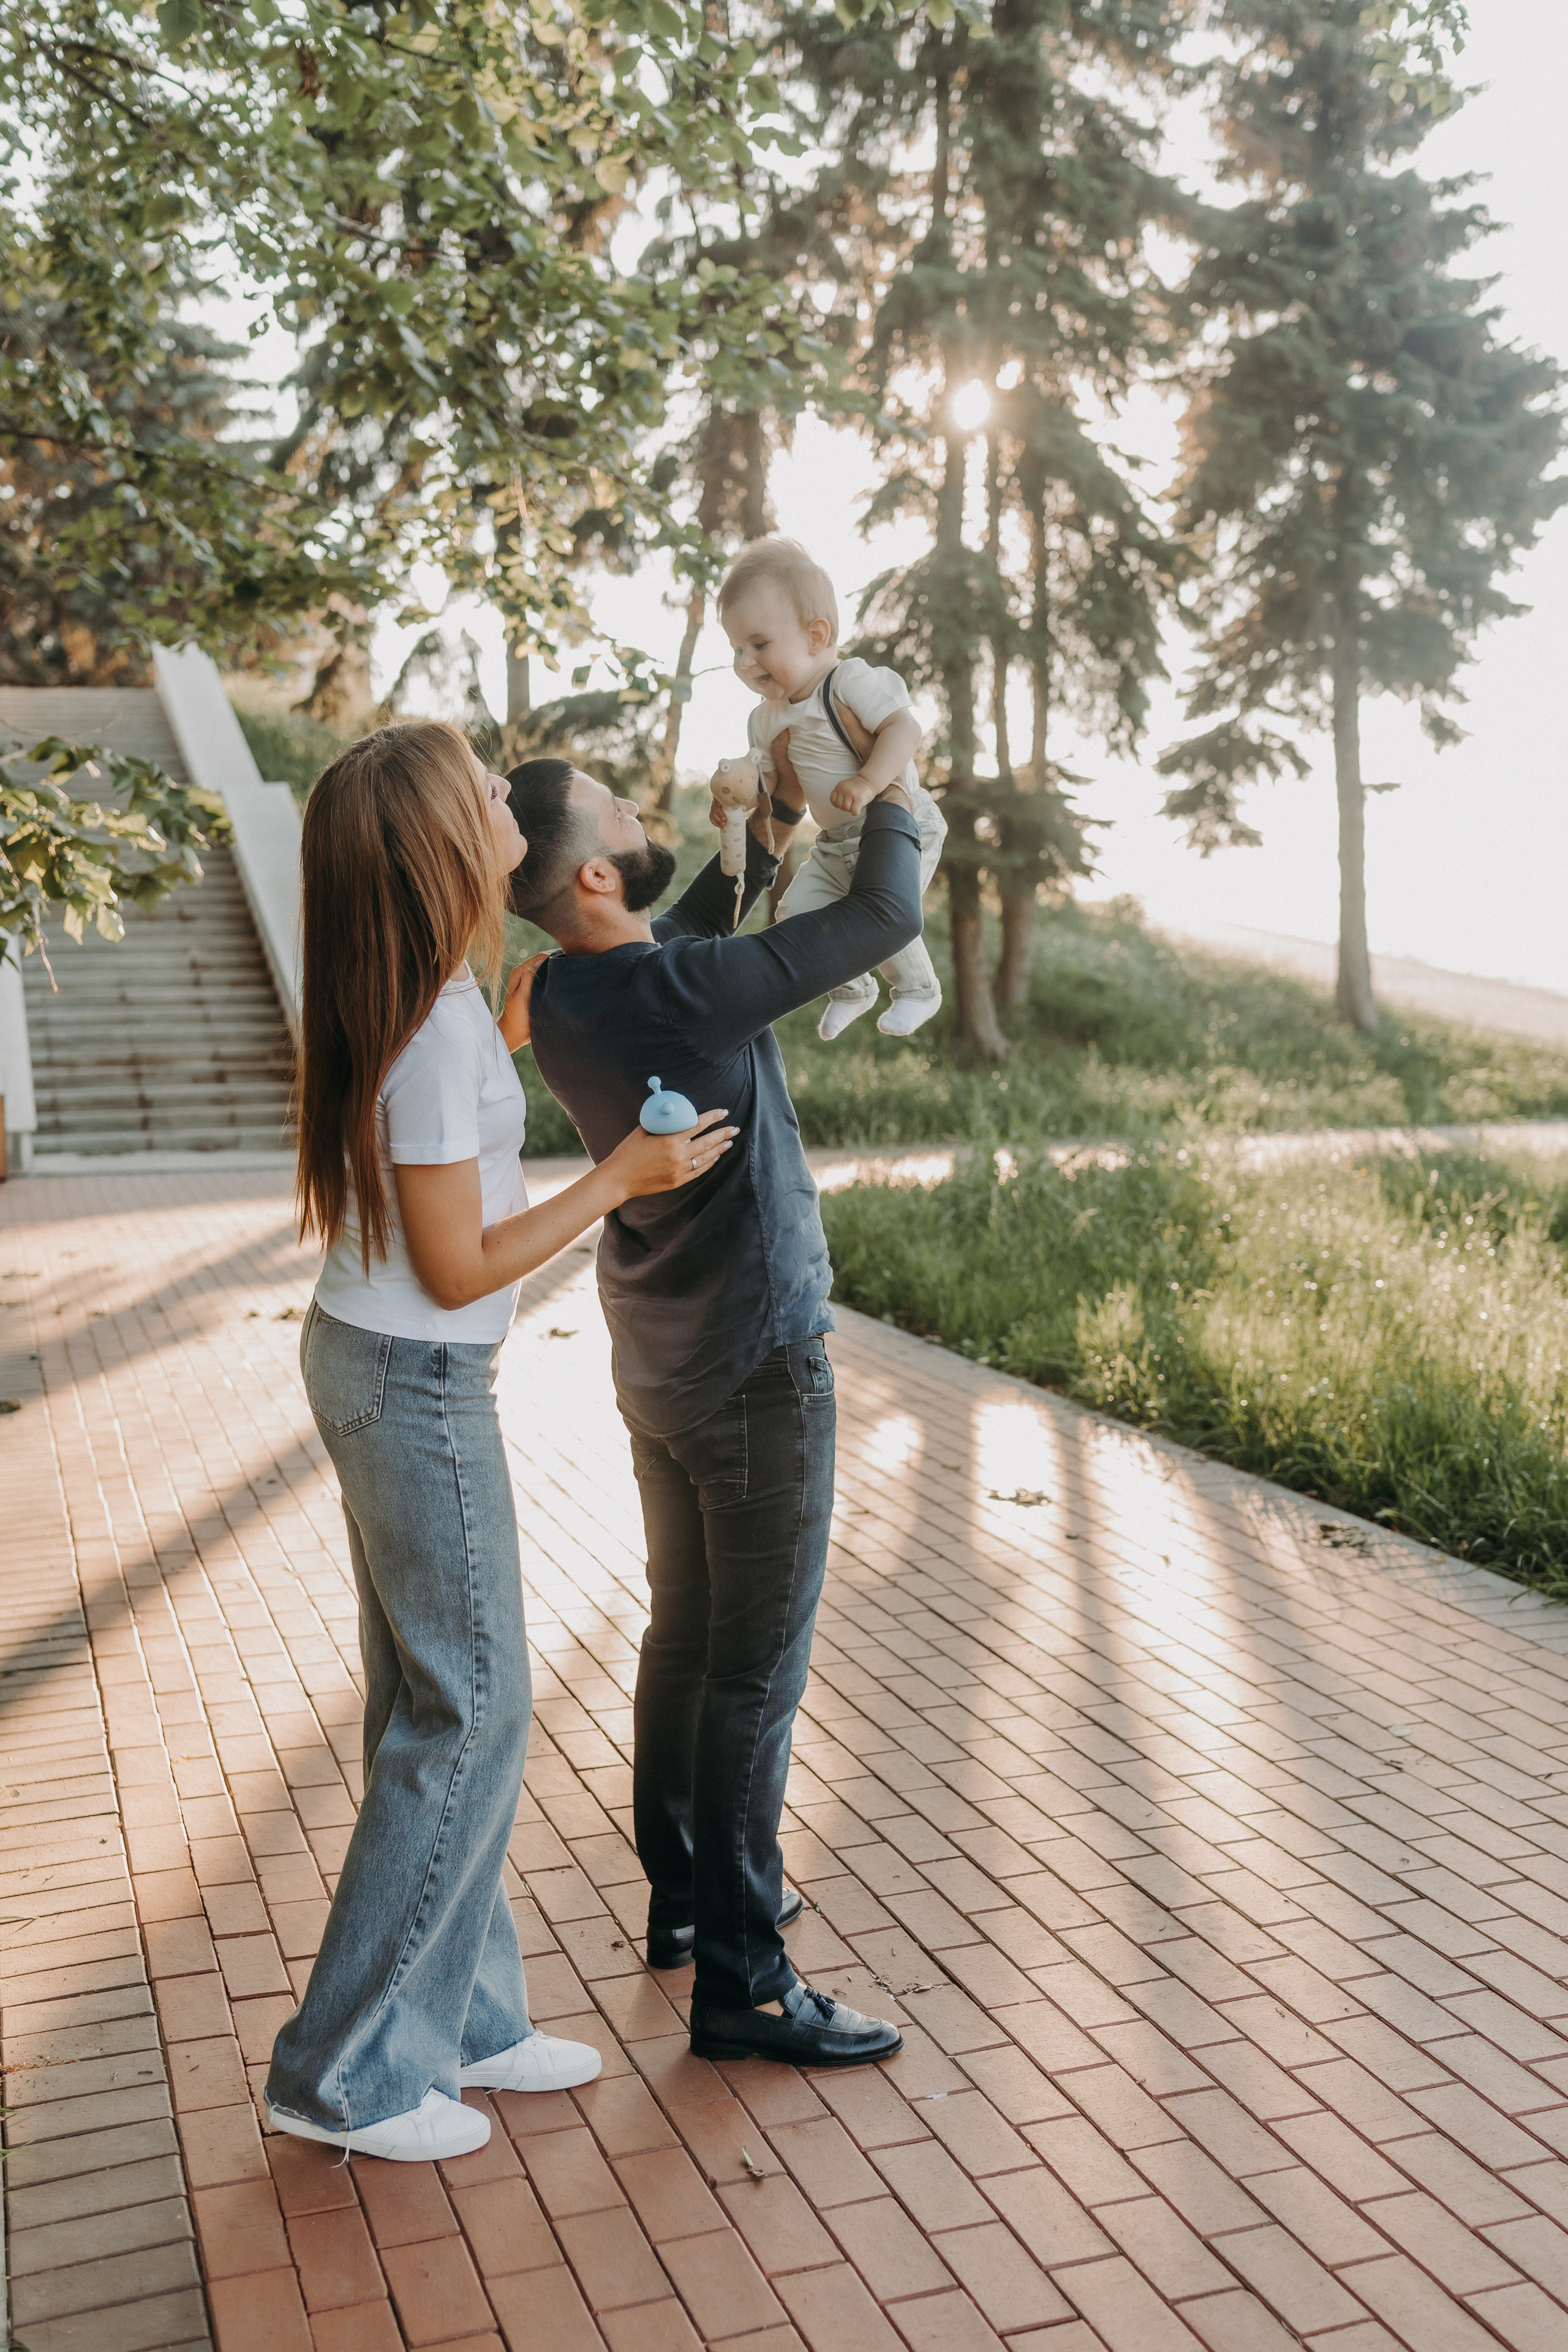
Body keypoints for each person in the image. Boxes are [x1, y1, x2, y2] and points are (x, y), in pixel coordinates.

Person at [265, 721, 735, 2163]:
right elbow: (461, 1266)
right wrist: (624, 1175)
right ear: (438, 845)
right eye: (478, 789)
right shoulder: (432, 1026)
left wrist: (511, 1031)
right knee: (467, 1712)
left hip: (381, 1364)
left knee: (433, 1705)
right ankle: (341, 2073)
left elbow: (440, 1151)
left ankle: (462, 2020)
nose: (502, 793)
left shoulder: (437, 1001)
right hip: (414, 1380)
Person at [503, 747, 923, 2069]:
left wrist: (767, 823)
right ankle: (744, 1984)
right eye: (620, 813)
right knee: (752, 1675)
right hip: (752, 1367)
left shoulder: (570, 989)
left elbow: (684, 932)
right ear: (588, 867)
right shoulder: (671, 990)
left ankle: (688, 1901)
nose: (644, 816)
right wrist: (894, 784)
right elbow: (880, 921)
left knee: (685, 1640)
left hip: (662, 1362)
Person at [718, 535, 948, 1041]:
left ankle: (918, 990)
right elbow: (774, 784)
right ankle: (852, 989)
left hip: (904, 825)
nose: (744, 661)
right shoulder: (764, 719)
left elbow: (905, 729)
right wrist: (740, 800)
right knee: (795, 911)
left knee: (882, 914)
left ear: (816, 635)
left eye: (759, 645)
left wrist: (869, 781)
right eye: (736, 648)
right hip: (836, 841)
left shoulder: (846, 680)